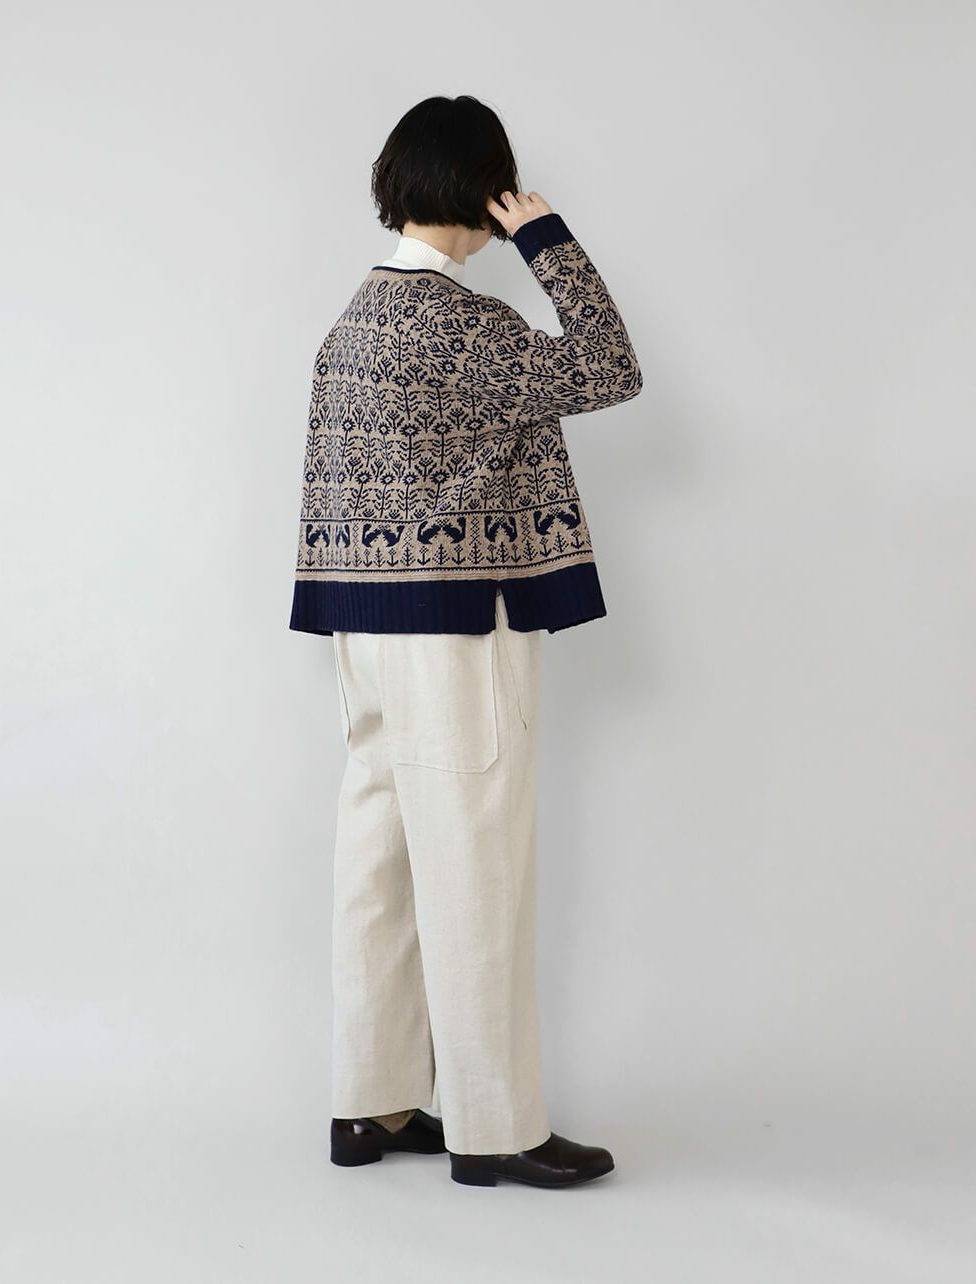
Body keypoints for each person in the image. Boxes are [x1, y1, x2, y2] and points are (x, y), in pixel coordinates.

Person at [288, 95, 643, 1187]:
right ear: (481, 190)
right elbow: (610, 366)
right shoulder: (464, 326)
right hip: (452, 629)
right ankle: (495, 1127)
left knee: (380, 861)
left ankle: (371, 1105)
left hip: (362, 630)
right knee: (475, 862)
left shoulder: (352, 322)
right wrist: (547, 239)